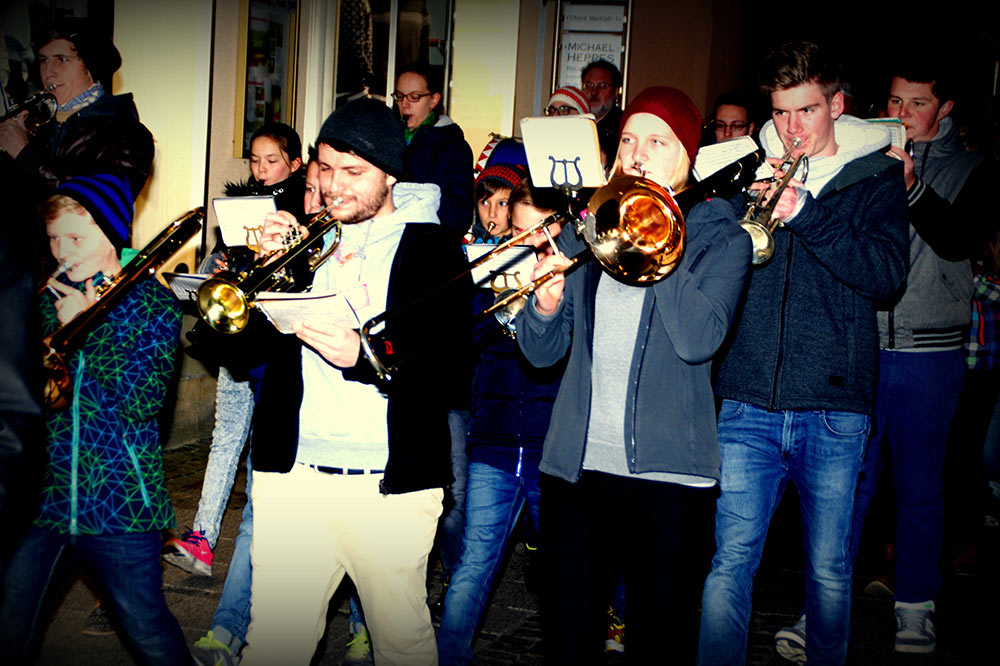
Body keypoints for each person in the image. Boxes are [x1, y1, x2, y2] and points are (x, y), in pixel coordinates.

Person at [517, 85, 752, 664]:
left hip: (671, 478)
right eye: (627, 140)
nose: (637, 154)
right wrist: (543, 307)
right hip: (578, 472)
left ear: (688, 154)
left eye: (656, 141)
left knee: (659, 645)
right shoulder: (588, 229)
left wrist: (657, 239)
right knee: (568, 642)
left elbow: (698, 340)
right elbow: (541, 356)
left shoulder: (722, 237)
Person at [235, 97, 470, 666]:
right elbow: (239, 349)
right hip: (294, 478)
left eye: (353, 172)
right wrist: (258, 268)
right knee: (274, 646)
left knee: (402, 647)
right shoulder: (304, 242)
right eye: (324, 168)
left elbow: (450, 369)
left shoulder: (433, 248)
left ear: (390, 175)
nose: (334, 186)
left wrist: (363, 355)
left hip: (388, 486)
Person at [697, 41, 910, 666]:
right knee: (729, 562)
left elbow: (885, 276)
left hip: (833, 406)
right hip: (747, 399)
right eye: (781, 112)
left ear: (836, 106)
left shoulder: (875, 178)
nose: (792, 127)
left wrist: (807, 215)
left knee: (829, 570)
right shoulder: (750, 167)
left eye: (807, 110)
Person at [828, 62, 994, 658]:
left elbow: (960, 239)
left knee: (921, 487)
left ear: (945, 108)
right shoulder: (864, 154)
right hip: (864, 345)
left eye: (917, 104)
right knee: (847, 485)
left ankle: (916, 606)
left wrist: (912, 186)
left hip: (931, 352)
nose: (901, 115)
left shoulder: (973, 168)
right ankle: (825, 605)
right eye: (894, 102)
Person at [0, 174, 192, 666]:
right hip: (43, 498)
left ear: (111, 232)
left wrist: (88, 327)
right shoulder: (44, 298)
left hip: (120, 502)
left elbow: (142, 400)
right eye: (54, 239)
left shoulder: (152, 303)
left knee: (148, 631)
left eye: (75, 238)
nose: (62, 252)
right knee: (9, 627)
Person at [163, 121, 305, 579]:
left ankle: (262, 544)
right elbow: (219, 264)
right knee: (225, 438)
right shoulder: (241, 205)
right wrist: (219, 265)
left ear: (294, 164)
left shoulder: (304, 207)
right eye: (255, 160)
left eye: (272, 161)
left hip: (274, 345)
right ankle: (203, 537)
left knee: (263, 449)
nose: (261, 170)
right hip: (236, 336)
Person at [436, 175, 564, 665]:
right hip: (494, 436)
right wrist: (503, 306)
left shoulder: (572, 273)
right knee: (474, 562)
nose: (531, 245)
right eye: (520, 232)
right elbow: (466, 336)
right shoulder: (493, 268)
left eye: (541, 234)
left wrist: (546, 305)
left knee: (563, 568)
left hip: (551, 443)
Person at [0, 18, 153, 202]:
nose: (48, 72)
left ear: (90, 66)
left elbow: (94, 203)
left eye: (62, 60)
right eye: (43, 60)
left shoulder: (128, 133)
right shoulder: (37, 127)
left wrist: (25, 154)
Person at [394, 61, 474, 238]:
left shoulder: (455, 148)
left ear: (434, 100)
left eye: (414, 97)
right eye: (400, 96)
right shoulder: (390, 139)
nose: (404, 104)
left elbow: (459, 216)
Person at [468, 163, 527, 243]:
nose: (492, 214)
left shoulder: (527, 243)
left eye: (502, 204)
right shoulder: (473, 240)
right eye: (484, 203)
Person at [581, 59, 623, 170]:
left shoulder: (624, 127)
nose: (594, 92)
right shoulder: (575, 123)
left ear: (616, 92)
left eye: (602, 86)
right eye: (589, 85)